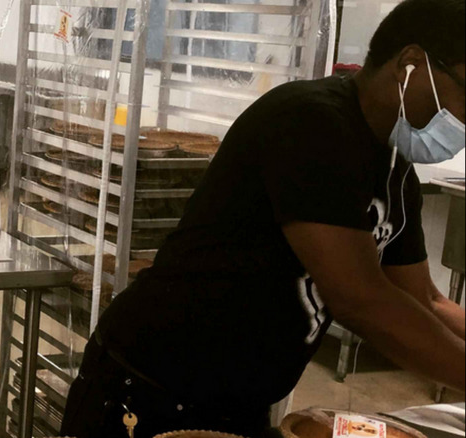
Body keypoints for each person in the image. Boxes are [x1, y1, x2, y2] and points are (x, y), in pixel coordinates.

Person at [61, 0, 465, 436]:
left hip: (240, 401)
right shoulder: (312, 124)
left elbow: (427, 301)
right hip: (149, 387)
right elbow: (360, 299)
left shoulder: (394, 166)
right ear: (410, 64)